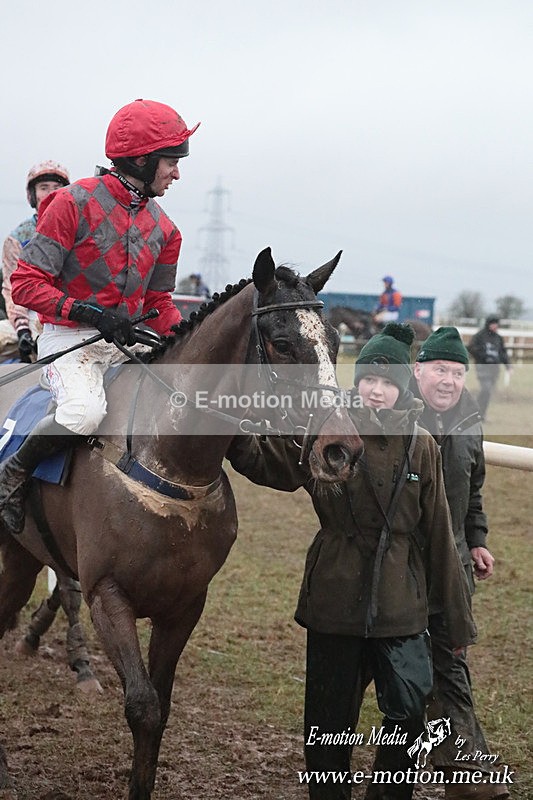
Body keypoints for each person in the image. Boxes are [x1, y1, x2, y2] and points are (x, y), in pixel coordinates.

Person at [228, 323, 476, 800]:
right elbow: (269, 464)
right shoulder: (329, 432)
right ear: (355, 382)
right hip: (335, 599)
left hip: (402, 606)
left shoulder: (421, 444)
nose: (377, 391)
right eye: (368, 380)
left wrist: (458, 628)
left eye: (388, 382)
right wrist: (231, 432)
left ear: (403, 385)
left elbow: (440, 536)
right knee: (328, 722)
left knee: (407, 713)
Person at [0, 98, 199, 537]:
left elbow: (161, 304)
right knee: (84, 414)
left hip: (128, 340)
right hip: (68, 338)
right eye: (172, 162)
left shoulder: (167, 231)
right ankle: (11, 475)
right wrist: (87, 312)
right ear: (143, 160)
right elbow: (26, 284)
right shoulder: (70, 203)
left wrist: (194, 332)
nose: (177, 173)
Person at [410, 327, 509, 799]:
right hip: (401, 568)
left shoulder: (470, 419)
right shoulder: (396, 416)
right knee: (426, 667)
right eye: (440, 370)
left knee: (448, 662)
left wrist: (477, 541)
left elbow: (473, 494)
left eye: (457, 372)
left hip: (454, 567)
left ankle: (465, 772)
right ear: (418, 371)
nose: (449, 380)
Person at [2, 161, 71, 362]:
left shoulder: (82, 232)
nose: (51, 193)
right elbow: (12, 289)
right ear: (32, 196)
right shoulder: (17, 239)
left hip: (72, 317)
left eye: (57, 188)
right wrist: (22, 328)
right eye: (44, 188)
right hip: (32, 316)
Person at [467, 315, 511, 421]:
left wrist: (508, 365)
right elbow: (471, 348)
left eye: (497, 324)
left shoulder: (498, 338)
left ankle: (481, 414)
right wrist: (483, 356)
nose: (495, 326)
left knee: (487, 392)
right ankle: (476, 412)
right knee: (485, 390)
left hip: (494, 369)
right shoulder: (479, 336)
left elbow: (502, 353)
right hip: (483, 367)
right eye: (493, 323)